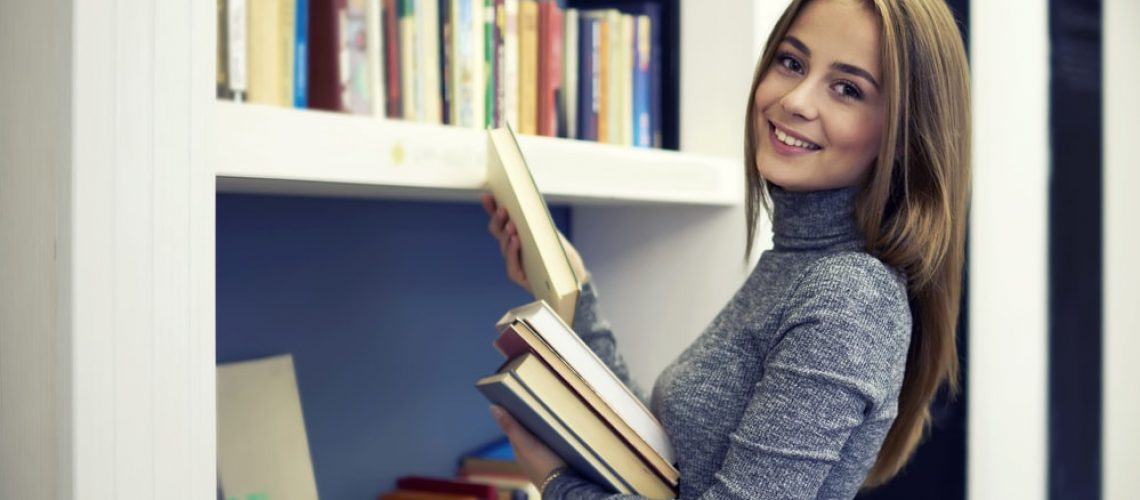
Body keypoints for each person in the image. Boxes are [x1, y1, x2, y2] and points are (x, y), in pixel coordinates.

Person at [481, 0, 971, 497]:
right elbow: (663, 466)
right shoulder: (798, 266)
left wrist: (556, 482)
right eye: (792, 62)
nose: (798, 100)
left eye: (847, 89)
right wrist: (577, 293)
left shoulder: (848, 296)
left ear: (904, 132)